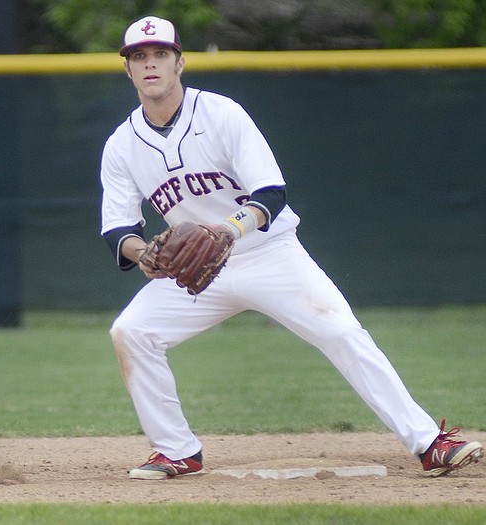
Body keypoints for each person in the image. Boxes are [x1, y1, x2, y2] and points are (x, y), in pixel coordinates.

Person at [100, 15, 483, 480]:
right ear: (128, 71)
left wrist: (226, 230)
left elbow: (270, 194)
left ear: (179, 63)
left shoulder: (222, 114)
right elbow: (120, 229)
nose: (150, 64)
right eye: (139, 57)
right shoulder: (122, 145)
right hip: (196, 273)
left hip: (268, 253)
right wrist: (147, 256)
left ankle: (428, 443)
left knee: (340, 331)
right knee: (131, 332)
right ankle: (176, 449)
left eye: (160, 54)